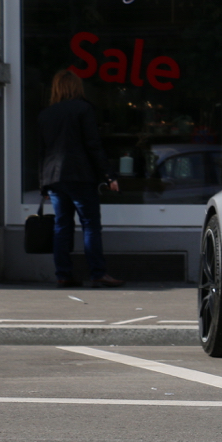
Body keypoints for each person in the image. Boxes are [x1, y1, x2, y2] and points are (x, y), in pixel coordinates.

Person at [38, 70, 126, 288]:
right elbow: (93, 144)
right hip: (79, 175)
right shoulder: (83, 109)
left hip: (54, 178)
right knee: (90, 225)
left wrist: (43, 184)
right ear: (76, 87)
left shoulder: (46, 114)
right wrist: (109, 175)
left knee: (62, 226)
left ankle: (63, 274)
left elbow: (41, 152)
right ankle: (97, 272)